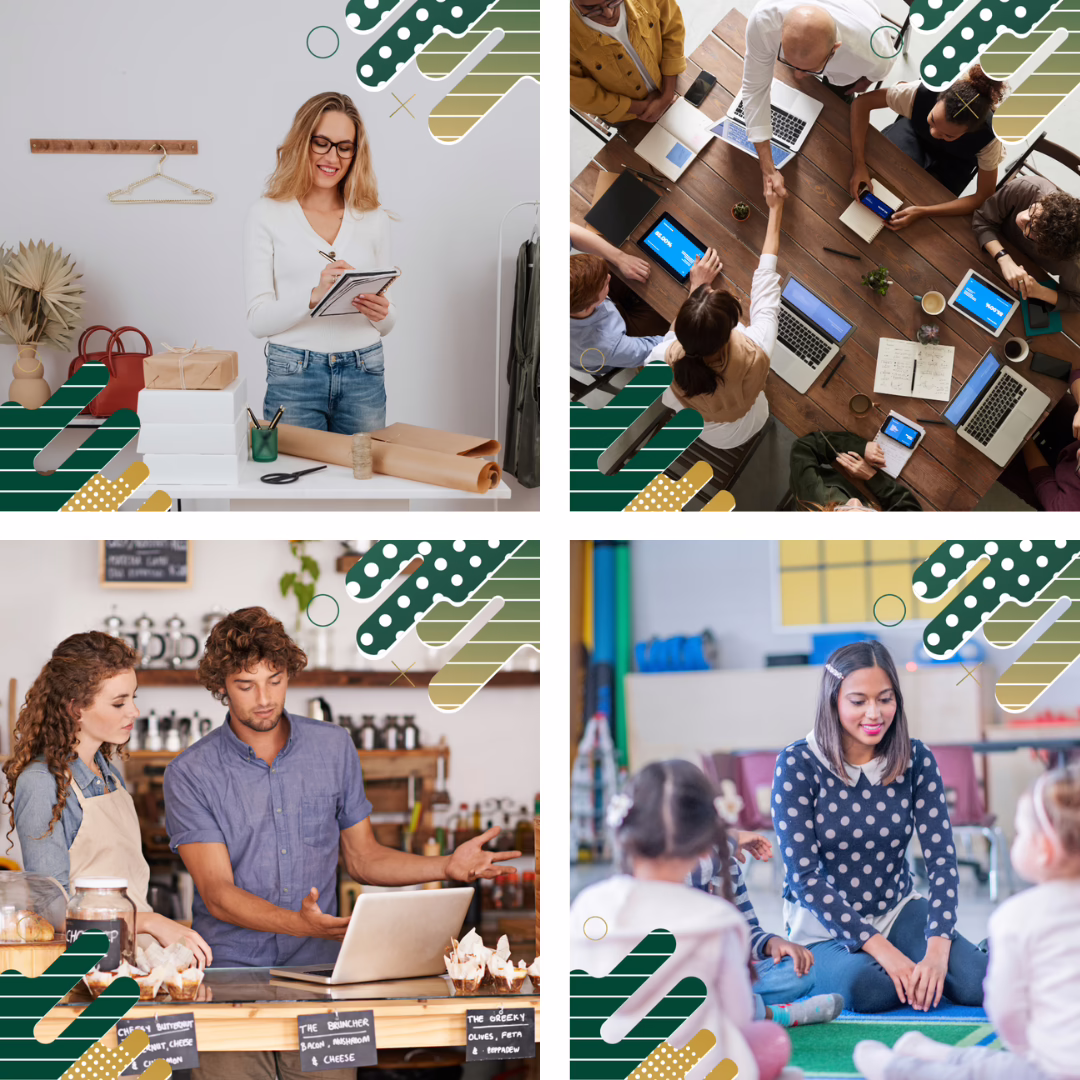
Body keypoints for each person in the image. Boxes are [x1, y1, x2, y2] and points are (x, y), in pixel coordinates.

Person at [164, 607, 519, 1080]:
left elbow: (365, 858)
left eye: (275, 679)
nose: (264, 698)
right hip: (230, 979)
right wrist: (302, 924)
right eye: (245, 685)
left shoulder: (333, 747)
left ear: (289, 672)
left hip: (326, 979)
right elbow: (218, 895)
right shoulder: (191, 772)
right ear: (221, 687)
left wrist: (447, 865)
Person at [771, 642, 988, 1013]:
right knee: (872, 990)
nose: (874, 713)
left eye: (885, 699)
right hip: (823, 930)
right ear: (833, 700)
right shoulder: (797, 764)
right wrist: (884, 951)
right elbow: (804, 878)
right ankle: (882, 962)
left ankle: (986, 947)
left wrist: (938, 947)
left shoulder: (916, 757)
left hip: (897, 909)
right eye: (858, 701)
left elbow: (941, 862)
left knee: (977, 983)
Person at [570, 760, 797, 1080]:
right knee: (771, 1045)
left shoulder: (587, 903)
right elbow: (738, 1014)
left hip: (599, 1068)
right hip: (689, 1069)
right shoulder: (716, 919)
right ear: (706, 840)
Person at [853, 765, 1080, 1080]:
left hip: (1054, 1069)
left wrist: (1030, 1051)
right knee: (1000, 1067)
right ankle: (936, 1052)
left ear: (1045, 850)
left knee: (995, 1072)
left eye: (1022, 832)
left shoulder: (1016, 917)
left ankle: (898, 1069)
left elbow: (1005, 1009)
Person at [4, 632, 212, 965]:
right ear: (75, 709)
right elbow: (52, 913)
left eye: (133, 697)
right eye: (119, 703)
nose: (134, 711)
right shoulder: (44, 782)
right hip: (85, 968)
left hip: (129, 960)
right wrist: (151, 922)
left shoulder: (108, 774)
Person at [244, 92, 395, 434]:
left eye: (344, 146)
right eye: (322, 143)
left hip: (364, 371)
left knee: (362, 482)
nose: (333, 157)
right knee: (294, 484)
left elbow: (387, 323)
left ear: (356, 153)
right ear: (302, 143)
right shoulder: (266, 214)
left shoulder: (373, 217)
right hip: (294, 373)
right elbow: (257, 321)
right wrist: (314, 296)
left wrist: (381, 311)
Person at [649, 182, 782, 448]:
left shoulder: (660, 360)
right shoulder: (757, 348)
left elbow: (672, 336)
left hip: (715, 438)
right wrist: (777, 209)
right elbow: (766, 283)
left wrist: (695, 289)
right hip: (751, 419)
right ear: (732, 330)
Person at [690, 830, 845, 1028]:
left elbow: (746, 932)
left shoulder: (729, 868)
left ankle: (733, 1009)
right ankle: (776, 1015)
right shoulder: (667, 871)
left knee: (799, 972)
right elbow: (691, 873)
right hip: (677, 982)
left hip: (726, 980)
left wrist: (773, 944)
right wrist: (728, 842)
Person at [742, 0, 897, 197]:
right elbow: (754, 88)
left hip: (858, 39)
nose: (797, 76)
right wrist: (767, 167)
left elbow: (876, 74)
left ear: (835, 49)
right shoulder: (763, 21)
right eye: (790, 62)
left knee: (838, 105)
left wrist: (864, 83)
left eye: (808, 69)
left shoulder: (874, 55)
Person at [850, 66, 1007, 227]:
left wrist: (923, 212)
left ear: (971, 131)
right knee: (883, 172)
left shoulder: (989, 137)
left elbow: (983, 196)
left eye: (949, 135)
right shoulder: (920, 92)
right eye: (932, 120)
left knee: (926, 202)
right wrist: (859, 165)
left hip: (957, 162)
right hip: (914, 134)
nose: (934, 133)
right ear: (939, 98)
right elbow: (861, 104)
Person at [973, 176, 1080, 312]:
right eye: (1033, 211)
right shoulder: (1027, 188)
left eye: (1031, 228)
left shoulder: (1073, 262)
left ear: (1045, 247)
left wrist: (1039, 291)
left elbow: (1077, 301)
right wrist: (1003, 258)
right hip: (985, 248)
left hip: (1025, 280)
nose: (1024, 217)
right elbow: (982, 220)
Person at [570, 0, 687, 124]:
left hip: (672, 84)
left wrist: (666, 95)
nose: (608, 13)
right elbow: (579, 94)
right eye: (592, 8)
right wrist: (643, 108)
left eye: (614, 1)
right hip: (630, 116)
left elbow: (673, 29)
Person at [570, 253, 668, 374]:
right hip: (614, 346)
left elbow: (572, 235)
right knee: (666, 320)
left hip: (599, 318)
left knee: (620, 265)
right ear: (588, 307)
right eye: (605, 284)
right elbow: (658, 350)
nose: (609, 277)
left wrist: (619, 257)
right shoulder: (607, 344)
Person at [790, 433, 922, 510]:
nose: (855, 501)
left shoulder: (814, 498)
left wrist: (859, 447)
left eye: (845, 511)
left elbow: (803, 448)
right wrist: (872, 477)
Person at [1021, 368, 1080, 510]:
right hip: (1067, 429)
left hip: (1052, 481)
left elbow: (1041, 478)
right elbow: (1077, 373)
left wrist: (1021, 433)